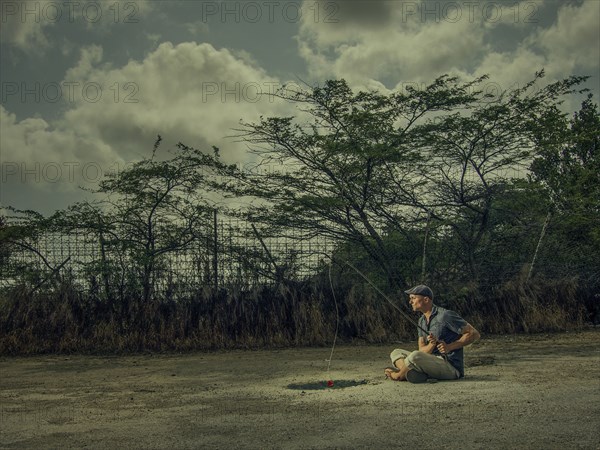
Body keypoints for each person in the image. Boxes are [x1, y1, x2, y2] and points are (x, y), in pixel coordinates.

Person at [384, 284, 480, 383]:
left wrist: (449, 347)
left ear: (426, 299)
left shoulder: (445, 315)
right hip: (429, 361)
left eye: (413, 298)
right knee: (396, 352)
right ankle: (416, 372)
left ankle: (399, 375)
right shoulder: (421, 321)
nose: (410, 302)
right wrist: (432, 344)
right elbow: (422, 350)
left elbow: (474, 334)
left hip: (450, 367)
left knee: (414, 356)